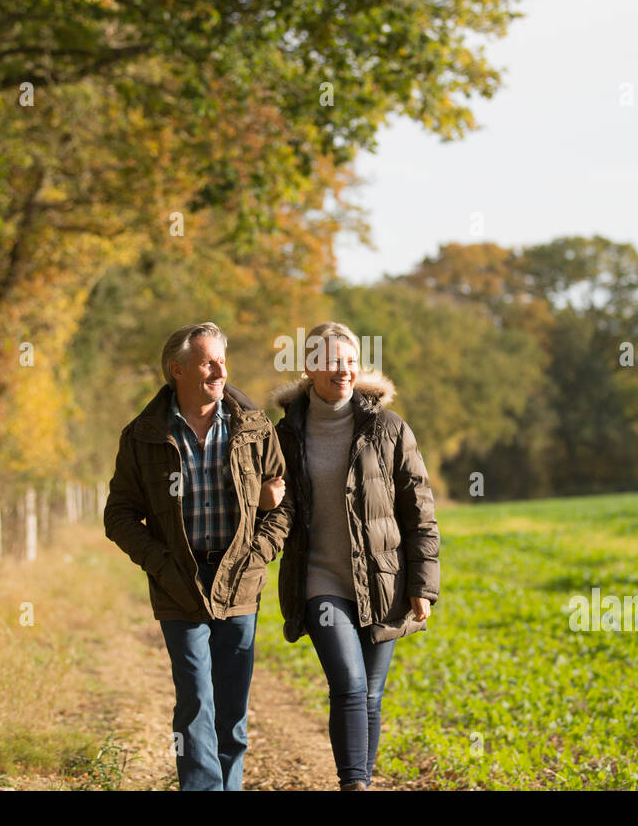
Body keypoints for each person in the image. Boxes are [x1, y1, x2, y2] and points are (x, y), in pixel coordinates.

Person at [103, 321, 292, 790]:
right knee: (195, 701)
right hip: (178, 583)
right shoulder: (143, 435)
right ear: (178, 369)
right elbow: (119, 515)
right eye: (208, 361)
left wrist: (257, 554)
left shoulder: (254, 426)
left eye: (222, 359)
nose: (219, 369)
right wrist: (161, 564)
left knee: (231, 709)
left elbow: (285, 504)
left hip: (240, 579)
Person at [269, 321, 440, 790]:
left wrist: (423, 587)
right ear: (309, 367)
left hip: (384, 581)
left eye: (349, 362)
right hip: (320, 581)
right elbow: (271, 504)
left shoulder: (388, 428)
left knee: (371, 694)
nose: (342, 371)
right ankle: (355, 784)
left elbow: (419, 511)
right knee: (348, 685)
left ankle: (360, 780)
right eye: (330, 362)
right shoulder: (287, 434)